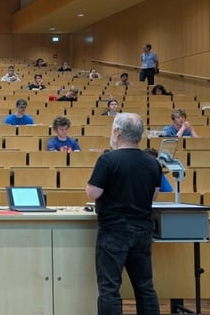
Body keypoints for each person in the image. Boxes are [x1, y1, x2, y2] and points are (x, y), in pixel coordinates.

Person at [86, 113, 160, 315]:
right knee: (145, 286)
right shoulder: (153, 162)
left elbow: (93, 193)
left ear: (117, 132)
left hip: (114, 229)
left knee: (109, 287)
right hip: (143, 229)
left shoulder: (107, 159)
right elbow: (154, 195)